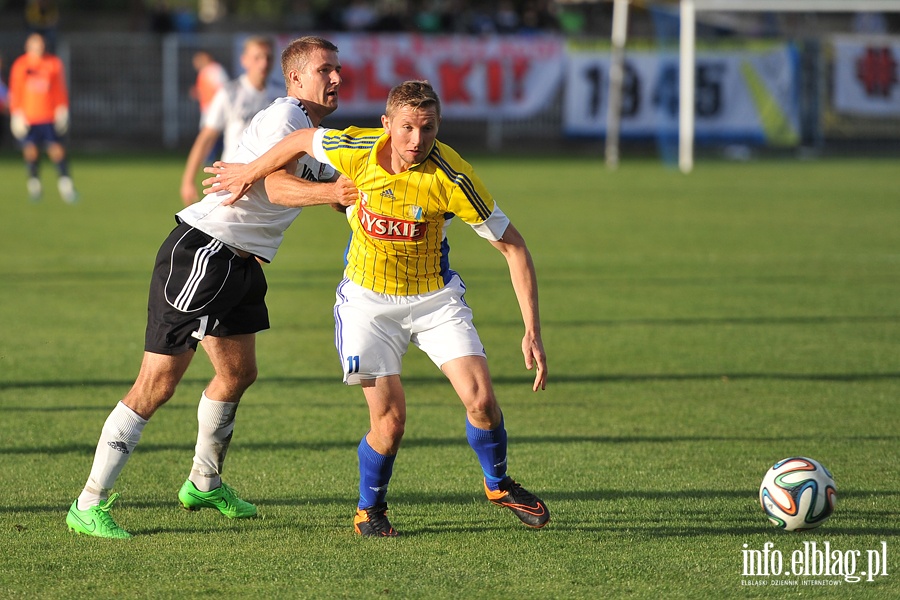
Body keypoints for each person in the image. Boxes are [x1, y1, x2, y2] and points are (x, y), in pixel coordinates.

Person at [204, 80, 550, 537]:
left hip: (435, 298)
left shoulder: (453, 176)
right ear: (387, 125)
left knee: (482, 402)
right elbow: (298, 140)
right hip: (367, 302)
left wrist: (532, 330)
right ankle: (371, 509)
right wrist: (249, 173)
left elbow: (513, 247)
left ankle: (498, 483)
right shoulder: (356, 147)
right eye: (407, 127)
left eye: (427, 128)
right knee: (390, 423)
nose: (416, 140)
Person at [65, 36, 356, 539]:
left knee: (238, 373)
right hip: (205, 251)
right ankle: (88, 502)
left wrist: (360, 192)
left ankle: (204, 480)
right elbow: (274, 187)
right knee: (156, 385)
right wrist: (333, 191)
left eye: (337, 70)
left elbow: (328, 191)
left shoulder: (315, 133)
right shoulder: (284, 118)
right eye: (324, 70)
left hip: (241, 266)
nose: (335, 78)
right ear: (295, 78)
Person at [180, 38, 279, 206]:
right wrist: (188, 180)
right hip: (231, 179)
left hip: (266, 182)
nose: (263, 63)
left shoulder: (280, 95)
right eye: (257, 57)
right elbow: (206, 137)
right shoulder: (230, 93)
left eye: (268, 57)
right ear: (244, 60)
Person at [8, 32, 76, 203]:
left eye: (40, 44)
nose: (38, 48)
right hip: (29, 117)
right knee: (31, 151)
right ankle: (34, 185)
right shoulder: (21, 65)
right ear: (27, 47)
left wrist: (62, 108)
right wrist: (16, 113)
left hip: (49, 115)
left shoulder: (53, 63)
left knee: (57, 150)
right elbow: (16, 90)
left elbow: (59, 88)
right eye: (34, 44)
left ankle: (66, 186)